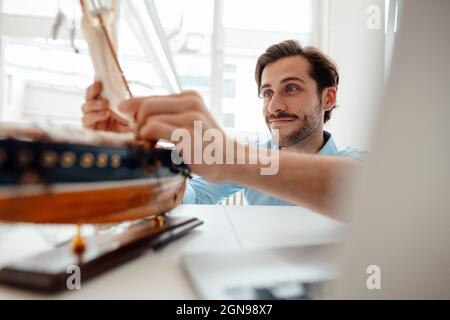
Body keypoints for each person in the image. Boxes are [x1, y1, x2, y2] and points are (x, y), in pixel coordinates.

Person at [81, 40, 365, 218]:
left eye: (291, 88)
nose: (274, 106)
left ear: (328, 98)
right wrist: (137, 157)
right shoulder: (254, 156)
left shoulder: (359, 162)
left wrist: (230, 157)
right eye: (267, 93)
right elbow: (192, 196)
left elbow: (359, 190)